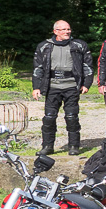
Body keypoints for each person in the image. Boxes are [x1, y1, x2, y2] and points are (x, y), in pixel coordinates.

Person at [31, 20, 94, 155]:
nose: (67, 32)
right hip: (52, 86)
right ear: (55, 31)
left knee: (72, 117)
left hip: (71, 86)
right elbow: (38, 68)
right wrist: (36, 87)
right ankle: (47, 146)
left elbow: (87, 66)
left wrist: (86, 84)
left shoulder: (79, 45)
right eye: (64, 29)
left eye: (68, 29)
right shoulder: (44, 46)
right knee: (49, 117)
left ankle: (74, 146)